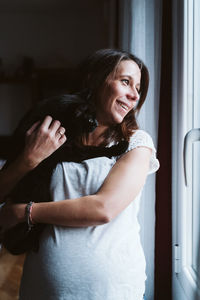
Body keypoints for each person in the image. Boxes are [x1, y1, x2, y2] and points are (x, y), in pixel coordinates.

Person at [0, 49, 159, 300]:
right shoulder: (51, 131)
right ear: (95, 80)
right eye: (126, 82)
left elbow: (103, 209)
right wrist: (29, 159)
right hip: (41, 286)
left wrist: (25, 212)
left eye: (138, 88)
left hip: (110, 290)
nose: (134, 95)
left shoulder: (137, 143)